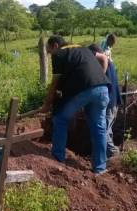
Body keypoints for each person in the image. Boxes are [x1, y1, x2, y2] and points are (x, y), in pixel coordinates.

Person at [40, 35, 110, 174]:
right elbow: (103, 58)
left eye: (49, 51)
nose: (49, 54)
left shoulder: (59, 54)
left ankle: (57, 158)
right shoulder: (83, 49)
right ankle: (100, 168)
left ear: (55, 46)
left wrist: (47, 104)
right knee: (99, 129)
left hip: (83, 91)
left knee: (60, 118)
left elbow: (55, 83)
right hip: (102, 89)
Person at [88, 44, 122, 158]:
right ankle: (107, 154)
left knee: (104, 130)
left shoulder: (103, 65)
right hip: (114, 102)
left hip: (109, 102)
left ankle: (112, 152)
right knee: (108, 128)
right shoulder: (109, 63)